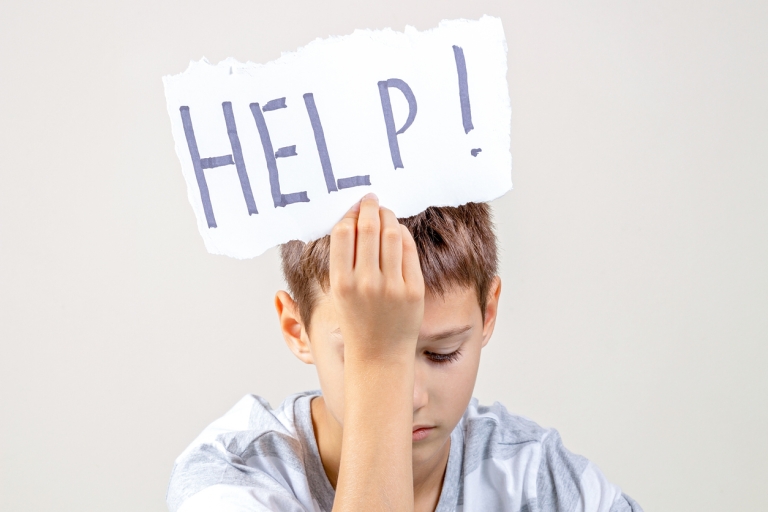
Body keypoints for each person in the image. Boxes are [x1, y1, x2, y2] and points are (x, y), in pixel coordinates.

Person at [166, 194, 643, 512]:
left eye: (441, 353)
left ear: (489, 313)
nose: (409, 397)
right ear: (297, 330)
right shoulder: (229, 477)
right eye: (361, 353)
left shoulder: (536, 477)